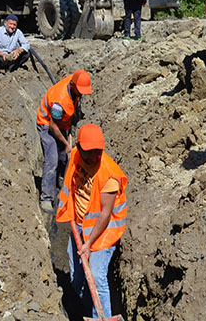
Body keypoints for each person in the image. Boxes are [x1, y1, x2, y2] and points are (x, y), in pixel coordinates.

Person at [55, 123, 128, 319]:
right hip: (78, 226)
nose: (93, 158)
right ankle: (85, 310)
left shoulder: (109, 175)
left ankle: (101, 317)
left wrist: (88, 244)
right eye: (89, 155)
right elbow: (70, 179)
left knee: (95, 277)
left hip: (102, 233)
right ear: (80, 149)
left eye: (97, 154)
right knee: (76, 279)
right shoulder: (75, 157)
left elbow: (105, 214)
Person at [37, 69, 93, 213]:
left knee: (63, 156)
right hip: (46, 124)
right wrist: (67, 144)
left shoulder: (74, 84)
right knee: (53, 159)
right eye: (80, 90)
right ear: (73, 86)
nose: (81, 94)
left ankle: (61, 181)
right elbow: (52, 126)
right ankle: (47, 198)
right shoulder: (59, 101)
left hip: (61, 123)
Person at [0, 14, 31, 80]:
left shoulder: (18, 32)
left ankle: (11, 68)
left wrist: (18, 51)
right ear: (5, 23)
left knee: (27, 54)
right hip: (0, 58)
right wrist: (3, 54)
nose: (12, 27)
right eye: (10, 24)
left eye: (14, 25)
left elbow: (26, 44)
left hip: (12, 59)